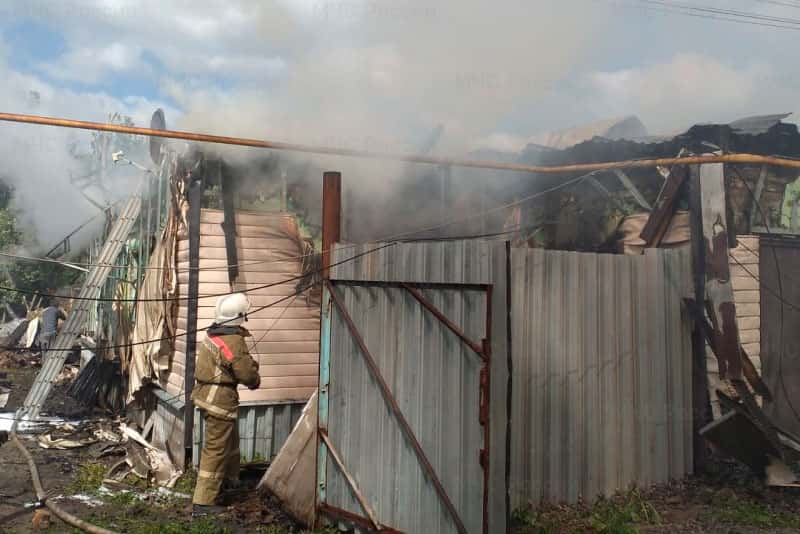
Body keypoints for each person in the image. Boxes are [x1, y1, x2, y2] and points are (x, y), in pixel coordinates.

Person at [191, 292, 260, 517]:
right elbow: (246, 374)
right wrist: (254, 375)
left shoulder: (213, 334)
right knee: (216, 448)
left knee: (230, 442)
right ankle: (203, 502)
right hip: (219, 400)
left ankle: (229, 481)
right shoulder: (233, 341)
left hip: (208, 396)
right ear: (239, 316)